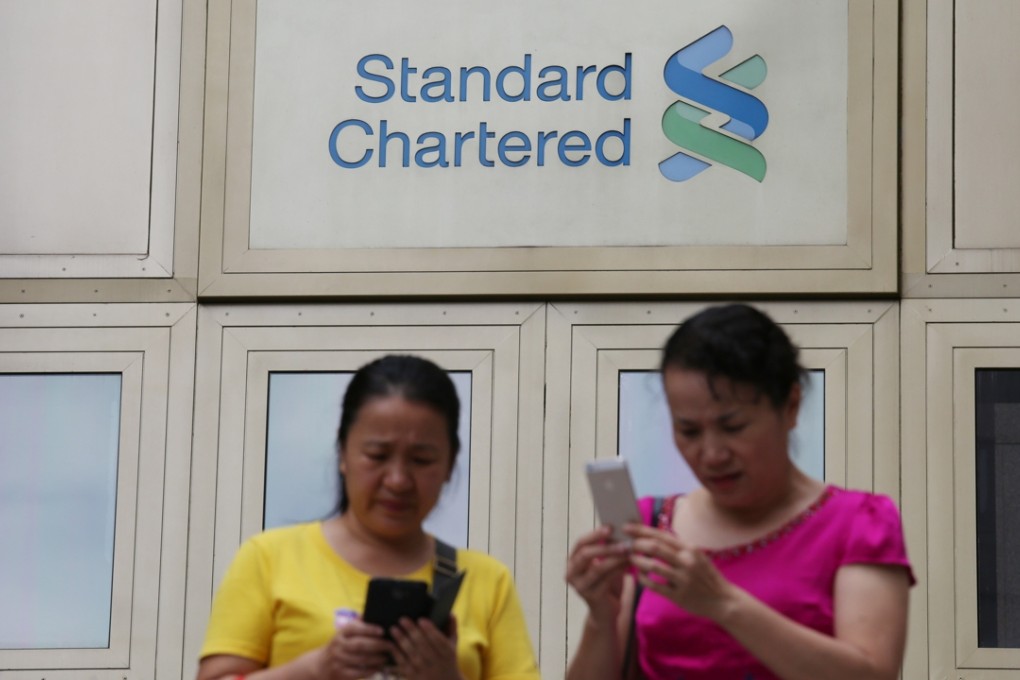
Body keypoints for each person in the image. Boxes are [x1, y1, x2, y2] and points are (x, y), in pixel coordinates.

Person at [565, 304, 914, 680]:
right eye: (689, 431)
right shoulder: (652, 526)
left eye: (733, 427)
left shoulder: (858, 523)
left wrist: (723, 603)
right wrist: (601, 616)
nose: (712, 455)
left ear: (791, 406)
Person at [197, 354, 540, 680]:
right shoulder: (268, 557)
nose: (398, 480)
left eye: (421, 460)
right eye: (377, 455)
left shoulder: (488, 580)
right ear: (342, 453)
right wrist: (315, 670)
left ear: (450, 465)